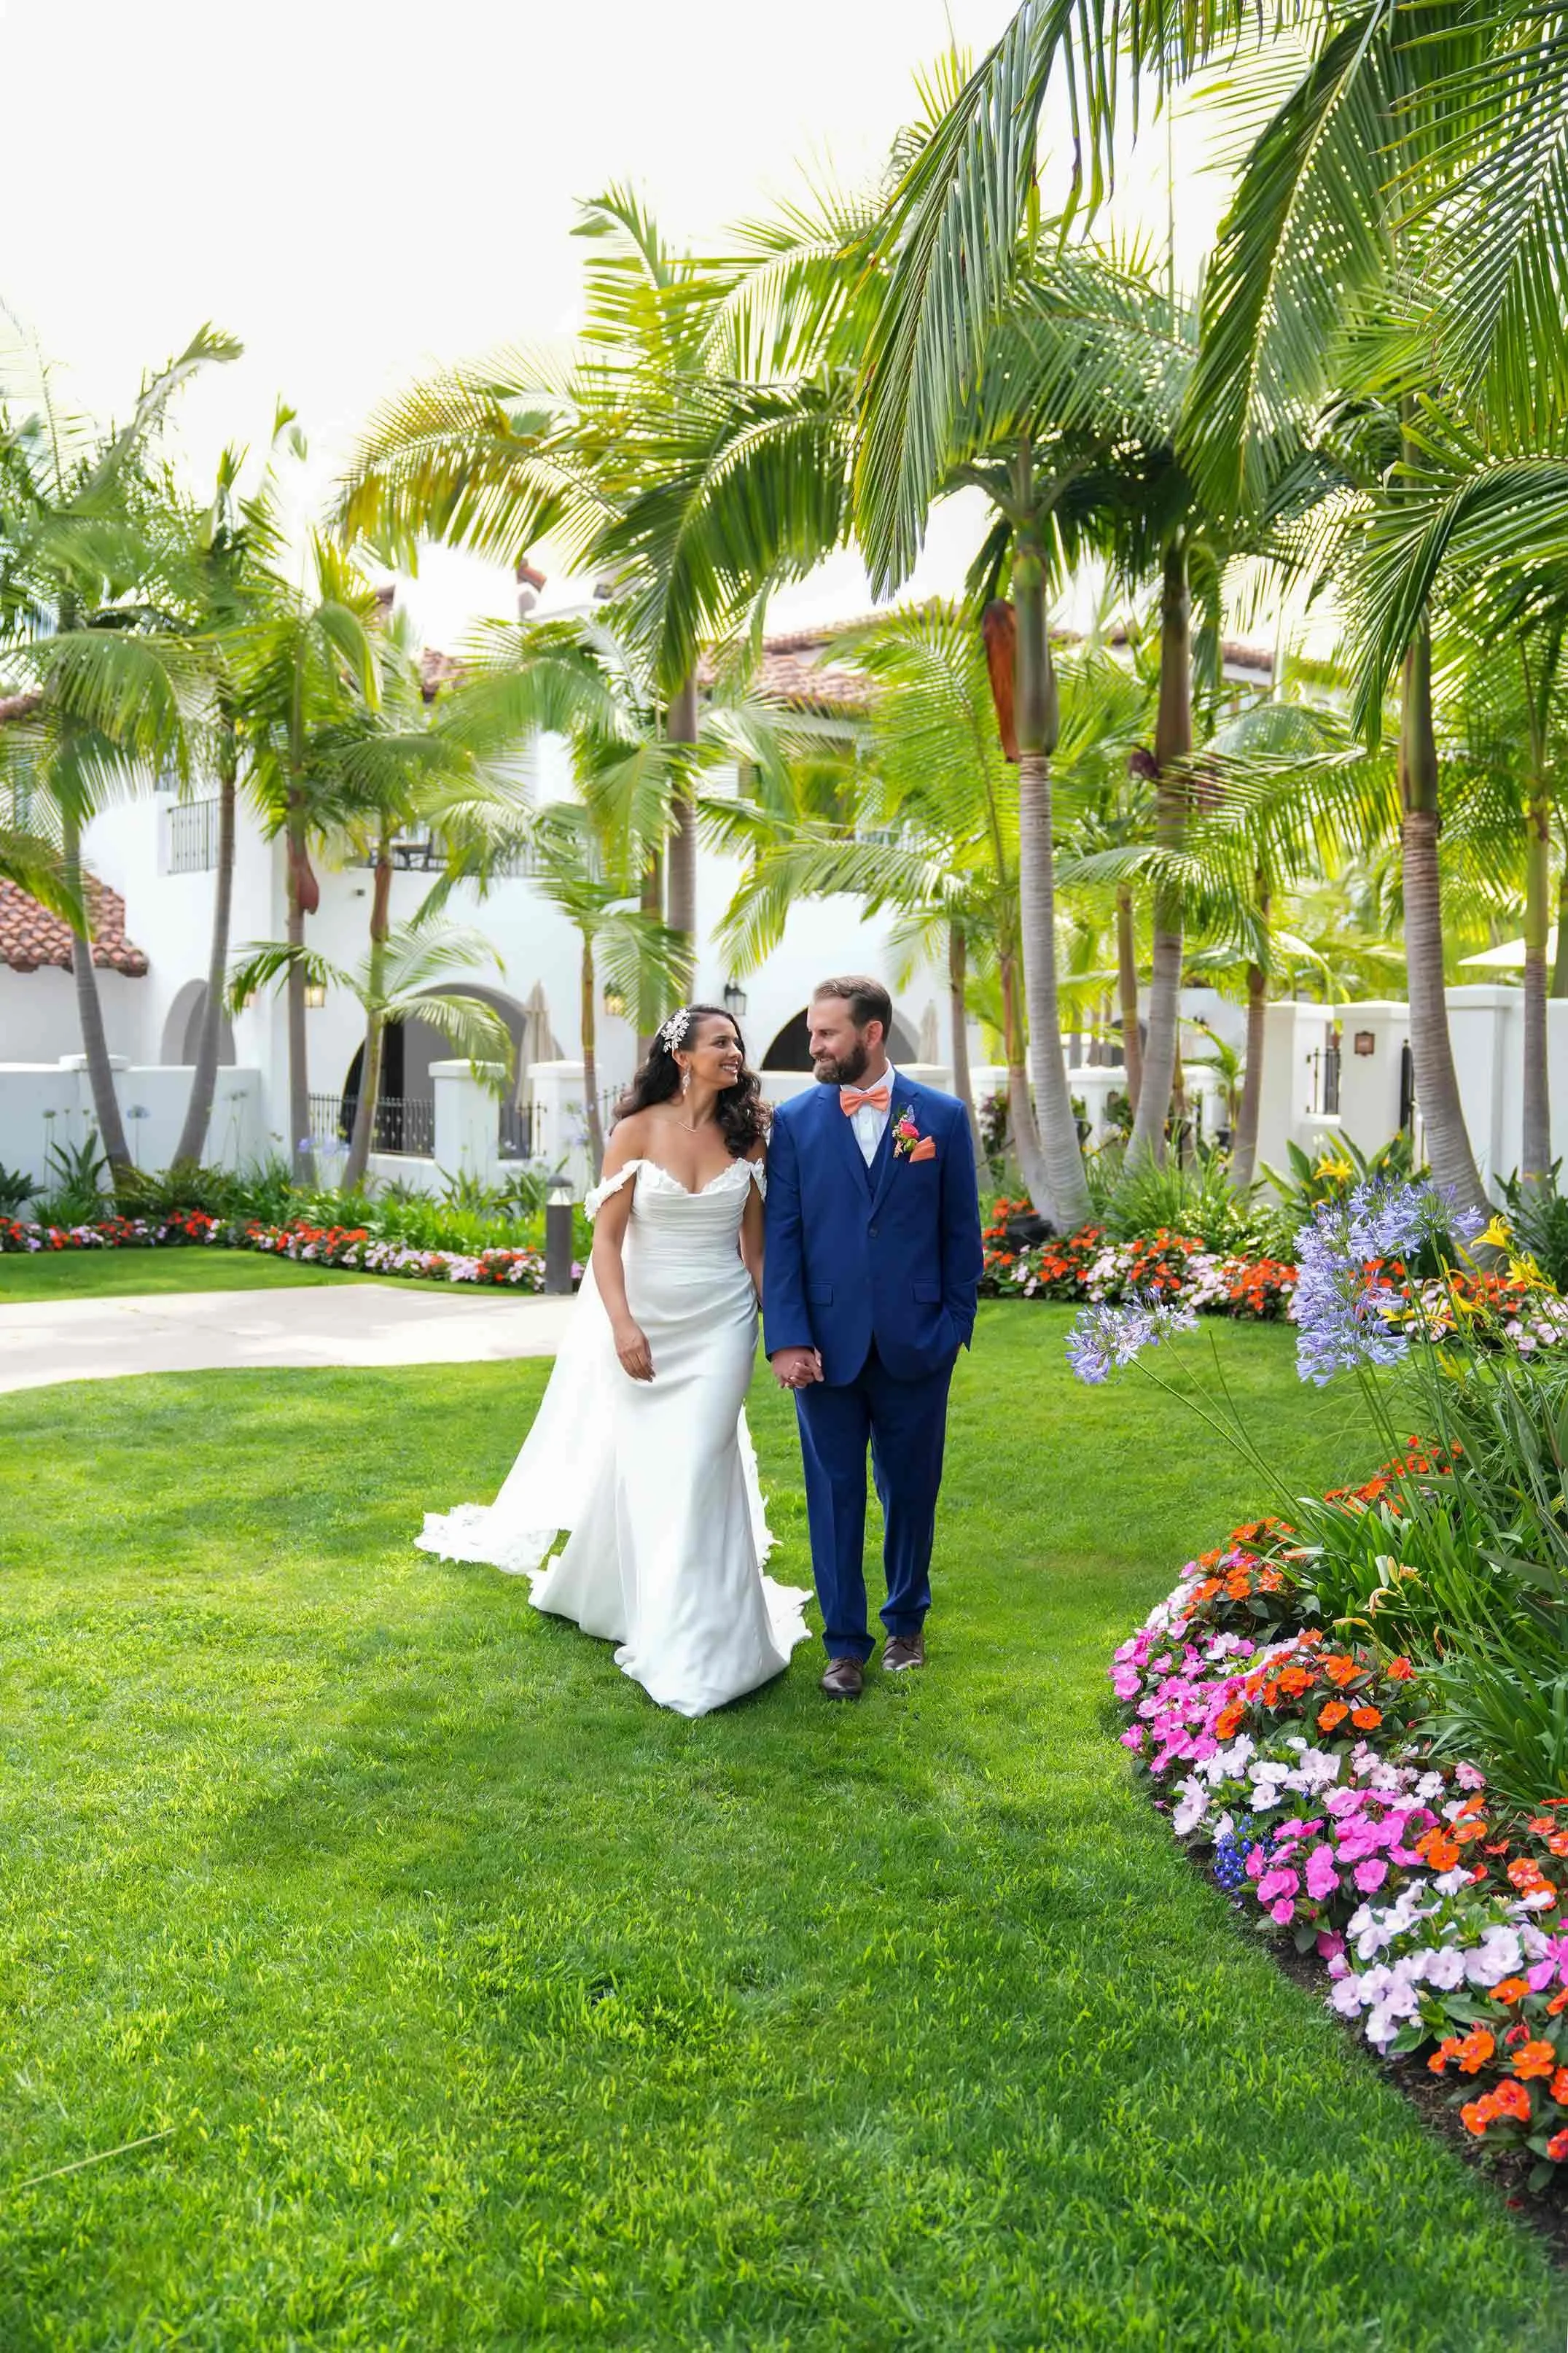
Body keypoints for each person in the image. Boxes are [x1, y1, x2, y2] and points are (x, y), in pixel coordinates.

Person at [417, 1005, 811, 1717]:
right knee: (648, 1467)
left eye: (737, 1042)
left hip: (722, 1321)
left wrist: (782, 1327)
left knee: (701, 1462)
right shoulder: (634, 1129)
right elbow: (605, 1242)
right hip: (648, 1322)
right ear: (682, 1055)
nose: (736, 1051)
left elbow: (756, 1251)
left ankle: (704, 1642)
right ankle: (624, 1594)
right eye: (721, 1041)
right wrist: (622, 1322)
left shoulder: (750, 1137)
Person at [762, 976, 983, 1699]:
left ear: (872, 1033)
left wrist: (952, 1325)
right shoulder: (793, 1122)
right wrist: (786, 1337)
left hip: (917, 1342)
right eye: (813, 1032)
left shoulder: (942, 1119)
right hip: (823, 1345)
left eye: (827, 1033)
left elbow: (961, 1233)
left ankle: (906, 1625)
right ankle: (845, 1645)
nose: (815, 1045)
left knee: (912, 1490)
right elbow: (784, 1236)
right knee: (833, 1493)